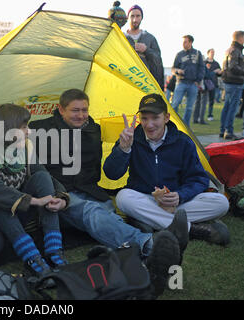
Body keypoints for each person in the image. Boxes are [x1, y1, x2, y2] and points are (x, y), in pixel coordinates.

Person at [29, 89, 186, 296]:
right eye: (75, 110)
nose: (81, 115)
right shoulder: (38, 130)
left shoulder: (92, 129)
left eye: (85, 110)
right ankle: (149, 244)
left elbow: (96, 171)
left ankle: (146, 264)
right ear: (60, 109)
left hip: (89, 191)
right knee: (92, 212)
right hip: (60, 193)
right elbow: (37, 173)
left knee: (105, 213)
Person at [103, 93, 230, 247]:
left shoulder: (183, 141)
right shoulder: (131, 138)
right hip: (144, 198)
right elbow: (111, 174)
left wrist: (180, 196)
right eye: (144, 118)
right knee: (123, 198)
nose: (149, 125)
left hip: (176, 203)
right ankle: (194, 230)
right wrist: (123, 149)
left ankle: (148, 221)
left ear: (166, 117)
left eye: (155, 118)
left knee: (221, 202)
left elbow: (198, 179)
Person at [0, 104, 69, 279]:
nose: (29, 132)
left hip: (20, 213)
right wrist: (34, 201)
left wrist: (61, 198)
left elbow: (43, 174)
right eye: (24, 127)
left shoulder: (25, 148)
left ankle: (54, 250)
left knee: (41, 177)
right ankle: (32, 259)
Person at [125, 4, 164, 88]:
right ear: (128, 17)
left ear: (142, 17)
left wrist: (146, 50)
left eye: (138, 16)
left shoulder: (150, 38)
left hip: (146, 84)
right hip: (127, 81)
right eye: (132, 16)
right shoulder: (121, 37)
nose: (135, 19)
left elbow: (158, 60)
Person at [171, 35, 205, 126]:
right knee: (174, 105)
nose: (183, 44)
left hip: (193, 84)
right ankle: (174, 125)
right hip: (181, 82)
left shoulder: (197, 53)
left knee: (189, 108)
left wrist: (198, 80)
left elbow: (202, 68)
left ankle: (186, 127)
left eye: (185, 42)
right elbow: (173, 68)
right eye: (183, 42)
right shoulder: (179, 54)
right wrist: (178, 71)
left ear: (190, 42)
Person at [220, 31, 244, 140]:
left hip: (229, 82)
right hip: (235, 82)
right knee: (232, 108)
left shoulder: (229, 50)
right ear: (240, 38)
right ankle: (228, 131)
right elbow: (233, 67)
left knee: (227, 107)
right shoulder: (236, 50)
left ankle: (223, 130)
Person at [205, 49, 222, 121]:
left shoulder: (216, 63)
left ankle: (210, 115)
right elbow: (204, 73)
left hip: (213, 84)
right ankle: (199, 116)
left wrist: (220, 72)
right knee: (202, 101)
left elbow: (219, 74)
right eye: (211, 52)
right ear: (208, 53)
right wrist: (214, 71)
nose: (213, 54)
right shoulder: (204, 62)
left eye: (214, 53)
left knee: (212, 101)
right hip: (205, 84)